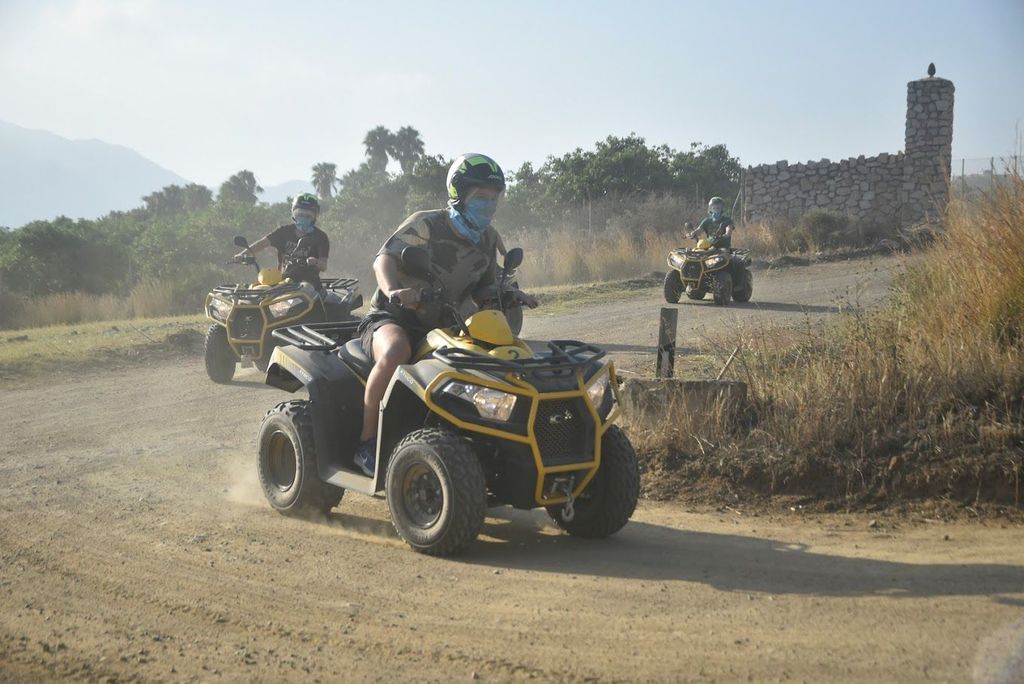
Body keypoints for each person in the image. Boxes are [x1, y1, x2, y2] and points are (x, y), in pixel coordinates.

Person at [352, 153, 511, 476]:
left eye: (494, 199)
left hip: (447, 324)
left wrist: (509, 294)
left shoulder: (488, 237)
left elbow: (485, 286)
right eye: (481, 197)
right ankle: (367, 444)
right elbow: (383, 259)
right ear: (459, 195)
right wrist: (394, 290)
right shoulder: (427, 223)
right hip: (393, 318)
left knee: (496, 359)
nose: (489, 206)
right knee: (398, 351)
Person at [234, 193, 329, 284]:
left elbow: (323, 266)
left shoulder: (320, 237)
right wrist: (243, 254)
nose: (303, 218)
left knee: (303, 291)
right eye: (300, 215)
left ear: (314, 217)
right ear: (294, 214)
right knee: (261, 290)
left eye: (308, 216)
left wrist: (315, 262)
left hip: (308, 284)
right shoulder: (284, 232)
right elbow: (262, 243)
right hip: (282, 281)